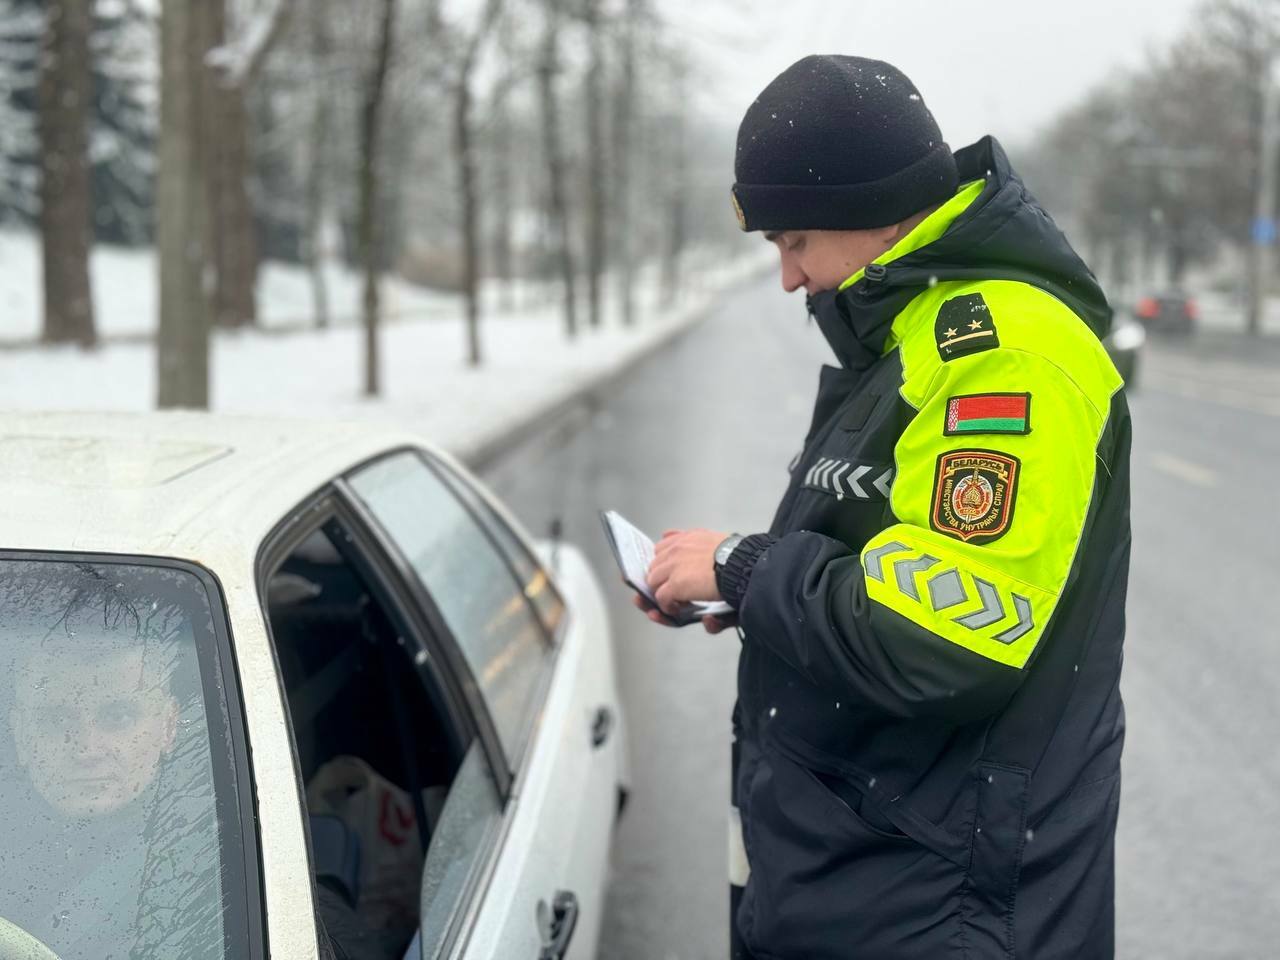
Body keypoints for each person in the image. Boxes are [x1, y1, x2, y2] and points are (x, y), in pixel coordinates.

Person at [639, 55, 1130, 959]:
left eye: (794, 242)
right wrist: (743, 592)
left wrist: (752, 567)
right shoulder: (910, 330)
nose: (788, 277)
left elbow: (946, 634)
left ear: (873, 210)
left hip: (940, 907)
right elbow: (877, 552)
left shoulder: (1004, 354)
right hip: (870, 876)